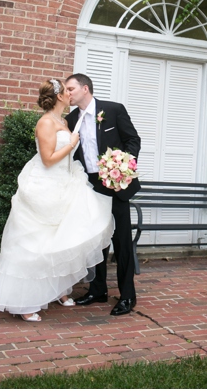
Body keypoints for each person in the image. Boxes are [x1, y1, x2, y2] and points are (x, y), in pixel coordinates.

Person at [0, 78, 114, 322]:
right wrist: (72, 142)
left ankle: (58, 289)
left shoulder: (63, 120)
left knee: (58, 239)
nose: (71, 93)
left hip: (65, 182)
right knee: (35, 244)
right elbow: (48, 159)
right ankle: (24, 302)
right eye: (67, 90)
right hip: (45, 185)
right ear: (60, 96)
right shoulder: (45, 122)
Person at [64, 73, 142, 316]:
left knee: (121, 242)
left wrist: (123, 165)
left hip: (116, 184)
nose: (67, 94)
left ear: (85, 89)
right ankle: (98, 290)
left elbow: (133, 140)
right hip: (89, 186)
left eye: (71, 89)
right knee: (95, 240)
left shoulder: (113, 109)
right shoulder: (71, 118)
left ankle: (128, 296)